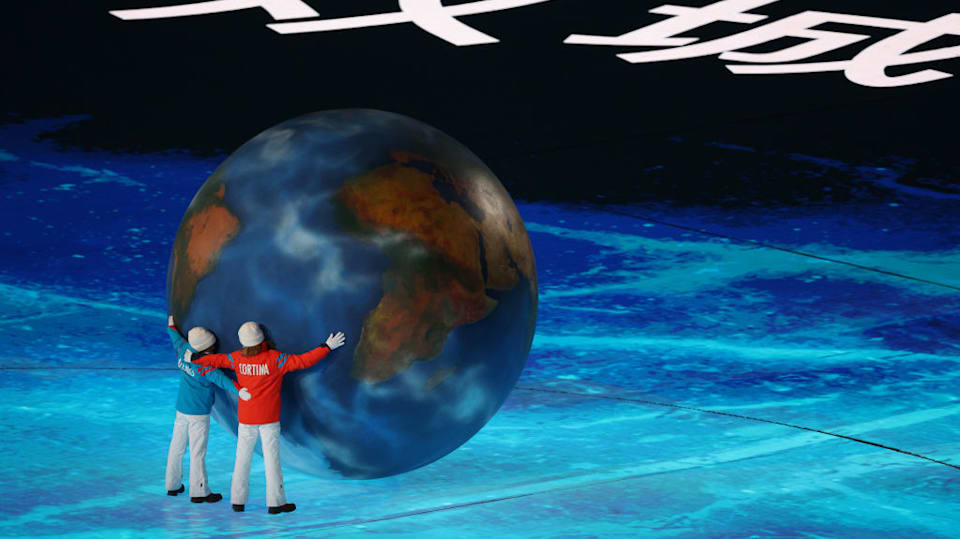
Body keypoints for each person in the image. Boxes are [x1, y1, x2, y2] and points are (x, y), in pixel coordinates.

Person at [190, 321, 346, 514]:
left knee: (242, 459)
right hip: (268, 418)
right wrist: (326, 347)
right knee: (272, 461)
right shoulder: (276, 359)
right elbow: (303, 361)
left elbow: (215, 360)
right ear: (261, 338)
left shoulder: (236, 358)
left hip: (246, 418)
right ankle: (275, 503)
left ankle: (238, 501)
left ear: (242, 341)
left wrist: (194, 356)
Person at [165, 315, 252, 504]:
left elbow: (176, 339)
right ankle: (199, 491)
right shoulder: (204, 366)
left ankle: (172, 484)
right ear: (204, 349)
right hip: (198, 413)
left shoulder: (183, 350)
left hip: (181, 408)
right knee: (197, 452)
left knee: (177, 447)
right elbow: (221, 379)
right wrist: (240, 391)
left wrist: (171, 326)